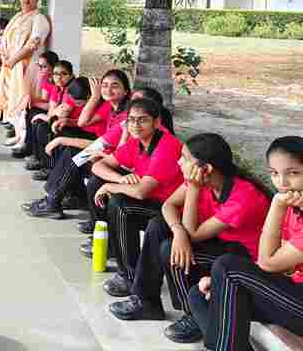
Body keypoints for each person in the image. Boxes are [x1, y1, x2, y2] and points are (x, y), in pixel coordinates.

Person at [109, 133, 271, 345]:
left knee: (170, 249)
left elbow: (193, 234)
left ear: (207, 168)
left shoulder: (243, 197)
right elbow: (169, 205)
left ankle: (194, 314)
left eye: (185, 158)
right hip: (218, 242)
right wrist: (177, 230)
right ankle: (146, 301)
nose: (179, 162)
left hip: (241, 258)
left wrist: (193, 190)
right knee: (158, 226)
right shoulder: (200, 178)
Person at [188, 136, 303, 350]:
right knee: (200, 295)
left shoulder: (280, 201)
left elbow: (268, 262)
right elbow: (275, 264)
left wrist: (277, 206)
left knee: (227, 266)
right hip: (289, 291)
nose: (282, 182)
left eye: (293, 173)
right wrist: (221, 283)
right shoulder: (293, 204)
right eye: (274, 173)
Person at [90, 98, 184, 297]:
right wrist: (120, 179)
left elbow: (141, 192)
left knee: (120, 205)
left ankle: (129, 276)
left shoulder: (166, 146)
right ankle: (117, 254)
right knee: (101, 185)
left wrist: (111, 186)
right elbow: (98, 165)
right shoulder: (137, 142)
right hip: (152, 200)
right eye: (131, 120)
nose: (135, 125)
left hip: (172, 209)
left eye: (143, 120)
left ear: (156, 122)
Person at [0, 0, 52, 146]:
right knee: (12, 99)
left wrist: (13, 60)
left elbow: (33, 44)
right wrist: (4, 56)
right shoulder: (17, 17)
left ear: (37, 0)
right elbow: (4, 39)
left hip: (28, 67)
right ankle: (18, 135)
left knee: (24, 100)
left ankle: (25, 140)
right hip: (11, 66)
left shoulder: (39, 19)